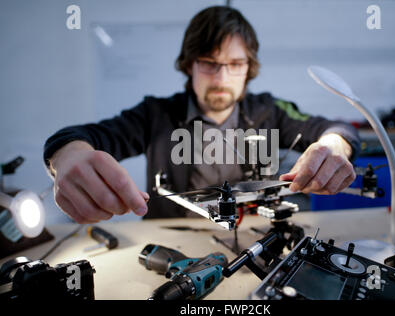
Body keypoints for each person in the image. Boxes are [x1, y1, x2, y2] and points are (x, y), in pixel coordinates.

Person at [43, 6, 360, 224]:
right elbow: (77, 137)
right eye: (209, 62)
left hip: (251, 240)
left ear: (249, 69)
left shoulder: (270, 110)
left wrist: (334, 146)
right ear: (189, 64)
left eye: (235, 64)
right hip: (173, 246)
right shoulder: (156, 114)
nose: (222, 78)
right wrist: (65, 157)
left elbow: (338, 127)